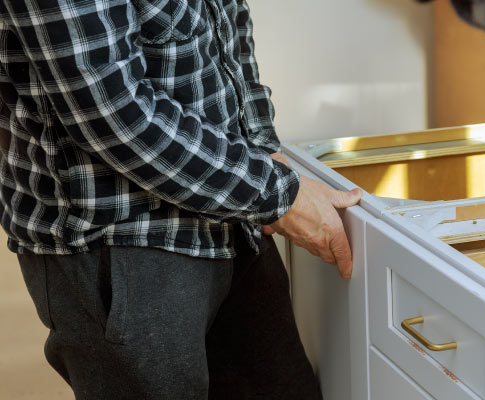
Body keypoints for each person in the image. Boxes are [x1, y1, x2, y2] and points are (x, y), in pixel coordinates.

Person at [0, 0, 361, 399]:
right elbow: (113, 112)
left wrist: (259, 148)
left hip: (230, 214)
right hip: (119, 242)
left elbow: (229, 25)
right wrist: (274, 193)